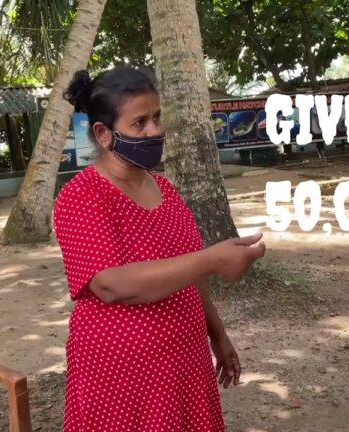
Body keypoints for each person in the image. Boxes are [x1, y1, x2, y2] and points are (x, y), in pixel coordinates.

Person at [52, 67, 266, 432]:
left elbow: (191, 272)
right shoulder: (82, 196)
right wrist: (213, 258)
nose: (155, 131)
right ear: (104, 134)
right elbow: (110, 285)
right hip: (120, 372)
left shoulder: (166, 190)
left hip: (183, 359)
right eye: (139, 123)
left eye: (157, 118)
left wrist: (218, 335)